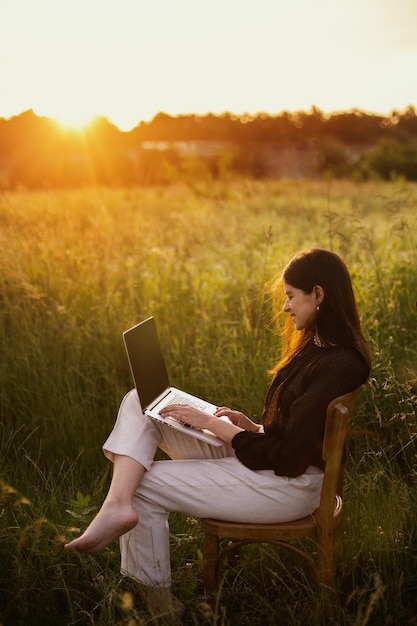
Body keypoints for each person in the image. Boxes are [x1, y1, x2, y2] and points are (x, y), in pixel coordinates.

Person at [64, 248, 371, 620]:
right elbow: (299, 436)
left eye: (291, 296)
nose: (286, 308)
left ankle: (162, 610)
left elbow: (292, 459)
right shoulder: (319, 347)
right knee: (141, 402)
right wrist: (249, 426)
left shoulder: (340, 364)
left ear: (318, 295)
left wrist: (215, 426)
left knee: (141, 485)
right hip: (273, 466)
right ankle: (117, 506)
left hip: (291, 488)